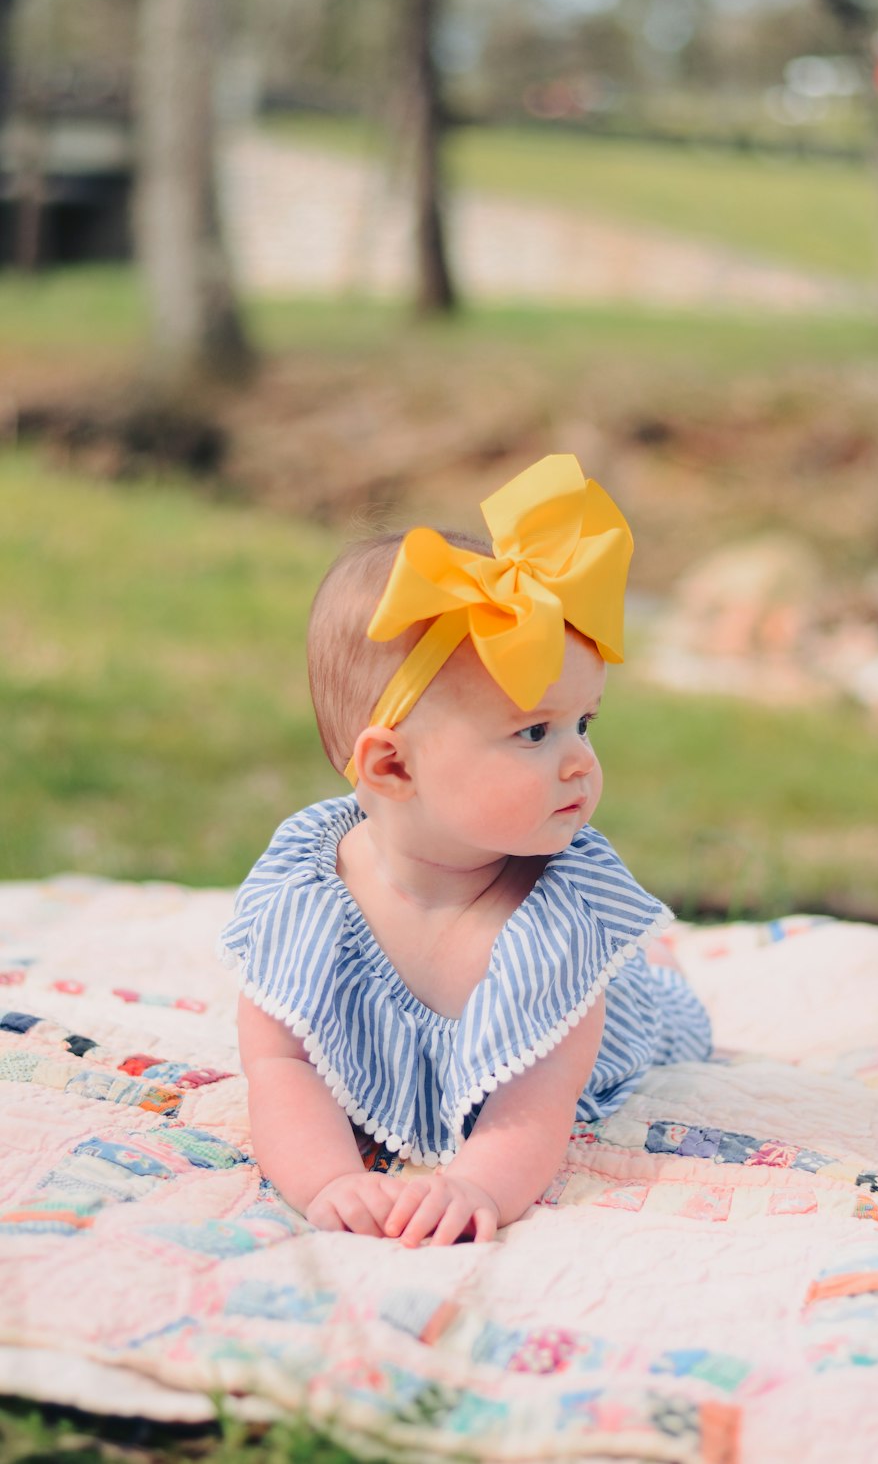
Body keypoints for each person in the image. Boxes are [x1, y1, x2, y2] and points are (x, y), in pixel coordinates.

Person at [220, 453, 712, 1249]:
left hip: (587, 1045)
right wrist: (328, 1181)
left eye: (584, 723)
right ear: (391, 765)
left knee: (663, 1005)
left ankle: (654, 965)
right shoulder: (304, 888)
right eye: (533, 732)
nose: (580, 760)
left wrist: (476, 1183)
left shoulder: (562, 916)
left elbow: (535, 1107)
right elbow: (282, 1066)